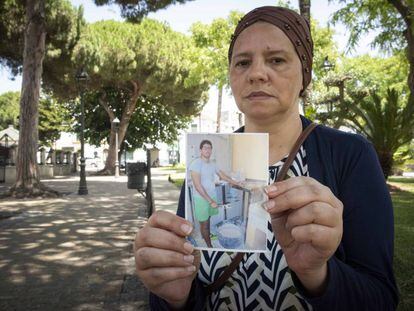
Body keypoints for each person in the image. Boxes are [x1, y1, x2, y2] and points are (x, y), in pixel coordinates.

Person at [134, 6, 398, 310]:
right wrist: (174, 296)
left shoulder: (351, 155)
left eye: (277, 60)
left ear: (305, 75)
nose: (257, 73)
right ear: (232, 77)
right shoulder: (206, 159)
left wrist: (317, 273)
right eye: (242, 62)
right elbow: (182, 290)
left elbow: (381, 298)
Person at [189, 139, 240, 248]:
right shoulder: (196, 164)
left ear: (211, 150)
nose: (207, 150)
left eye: (209, 148)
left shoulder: (213, 163)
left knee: (209, 218)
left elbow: (222, 175)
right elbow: (198, 186)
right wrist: (210, 201)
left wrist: (235, 182)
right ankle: (209, 246)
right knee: (204, 223)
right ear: (200, 150)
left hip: (211, 195)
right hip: (201, 198)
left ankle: (206, 235)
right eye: (205, 148)